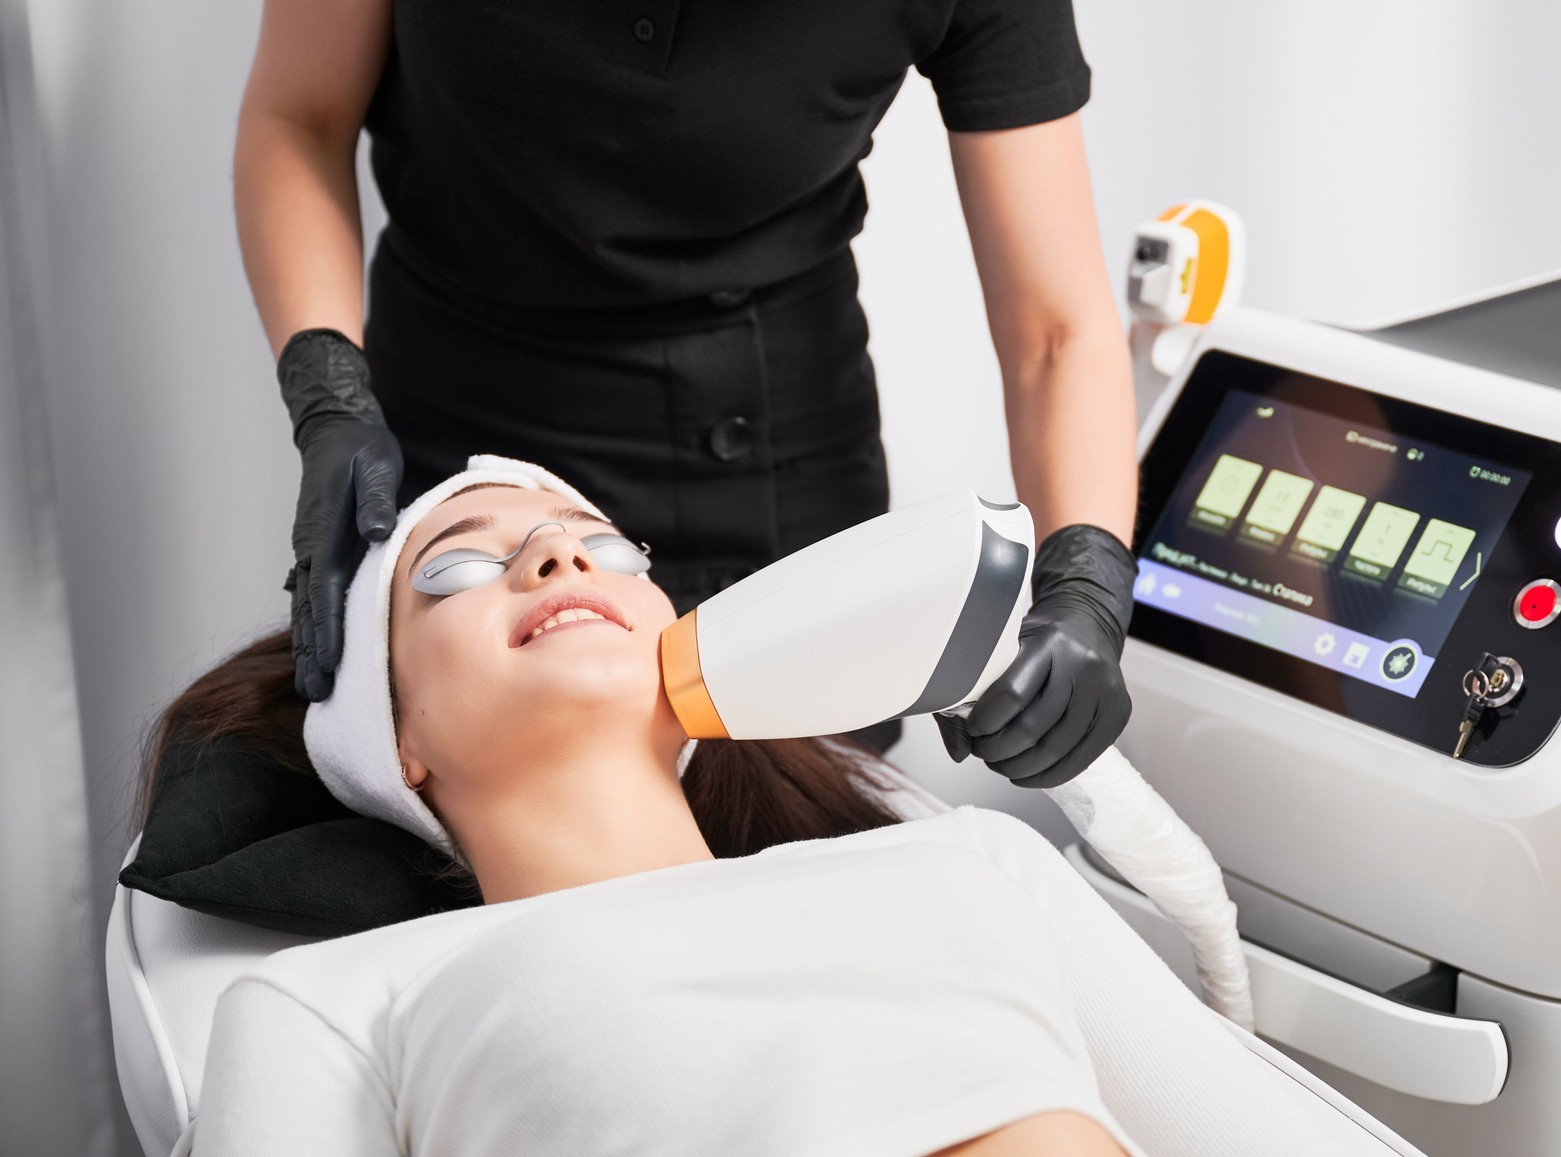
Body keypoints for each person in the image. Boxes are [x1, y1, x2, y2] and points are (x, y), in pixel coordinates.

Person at [162, 459, 1398, 1156]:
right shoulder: (341, 997)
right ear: (398, 740)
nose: (561, 558)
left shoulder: (966, 861)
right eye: (458, 567)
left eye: (599, 540)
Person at [236, 0, 1140, 788]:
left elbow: (1058, 333)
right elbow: (300, 115)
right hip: (466, 443)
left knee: (786, 834)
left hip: (765, 463)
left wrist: (1089, 582)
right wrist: (329, 396)